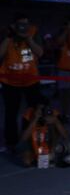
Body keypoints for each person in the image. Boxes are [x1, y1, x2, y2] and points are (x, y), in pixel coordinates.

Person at [0, 14, 44, 152]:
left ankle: (32, 137)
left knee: (34, 111)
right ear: (14, 25)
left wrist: (28, 38)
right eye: (20, 24)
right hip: (10, 81)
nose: (23, 27)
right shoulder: (7, 35)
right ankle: (11, 142)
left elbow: (40, 53)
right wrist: (9, 36)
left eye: (25, 24)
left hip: (30, 80)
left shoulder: (34, 33)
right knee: (11, 113)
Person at [18, 98, 68, 168]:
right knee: (26, 161)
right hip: (33, 142)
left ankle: (53, 152)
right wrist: (35, 119)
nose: (42, 111)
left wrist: (56, 122)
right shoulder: (28, 115)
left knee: (44, 162)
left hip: (49, 142)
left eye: (44, 108)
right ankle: (36, 156)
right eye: (40, 109)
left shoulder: (53, 114)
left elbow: (65, 136)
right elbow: (23, 138)